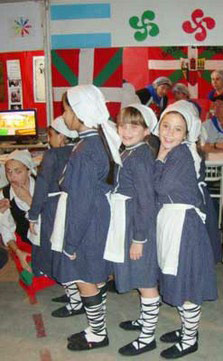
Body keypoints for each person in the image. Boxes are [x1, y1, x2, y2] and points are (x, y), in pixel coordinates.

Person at [51, 84, 122, 351]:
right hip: (100, 214)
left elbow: (79, 203)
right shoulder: (99, 140)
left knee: (85, 278)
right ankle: (95, 326)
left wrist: (70, 243)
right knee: (96, 275)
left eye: (66, 110)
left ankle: (98, 334)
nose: (65, 115)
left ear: (79, 113)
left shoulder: (85, 150)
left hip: (88, 219)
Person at [153, 101, 218, 358]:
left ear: (187, 133)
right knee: (177, 277)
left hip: (183, 225)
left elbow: (159, 186)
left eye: (177, 129)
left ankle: (190, 338)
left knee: (186, 281)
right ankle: (187, 329)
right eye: (166, 126)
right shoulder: (175, 152)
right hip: (172, 221)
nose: (169, 133)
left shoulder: (180, 154)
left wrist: (158, 158)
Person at [105, 104, 160, 357]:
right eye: (122, 124)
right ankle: (144, 320)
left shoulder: (140, 157)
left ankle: (148, 336)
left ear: (147, 130)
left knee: (146, 279)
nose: (126, 130)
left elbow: (146, 201)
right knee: (139, 277)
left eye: (134, 125)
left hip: (138, 226)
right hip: (127, 221)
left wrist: (139, 239)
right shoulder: (129, 152)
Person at [28, 117, 82, 318]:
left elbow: (41, 187)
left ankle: (75, 300)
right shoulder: (77, 151)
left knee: (56, 253)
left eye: (50, 134)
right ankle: (74, 294)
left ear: (61, 135)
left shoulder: (52, 155)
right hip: (71, 206)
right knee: (66, 251)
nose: (49, 139)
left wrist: (33, 215)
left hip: (53, 208)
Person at [0, 150, 55, 301]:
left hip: (49, 239)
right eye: (9, 172)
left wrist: (30, 201)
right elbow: (6, 229)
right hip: (24, 242)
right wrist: (18, 252)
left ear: (28, 170)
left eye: (18, 171)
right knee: (31, 278)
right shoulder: (4, 195)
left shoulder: (46, 187)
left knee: (57, 274)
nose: (12, 177)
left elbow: (54, 221)